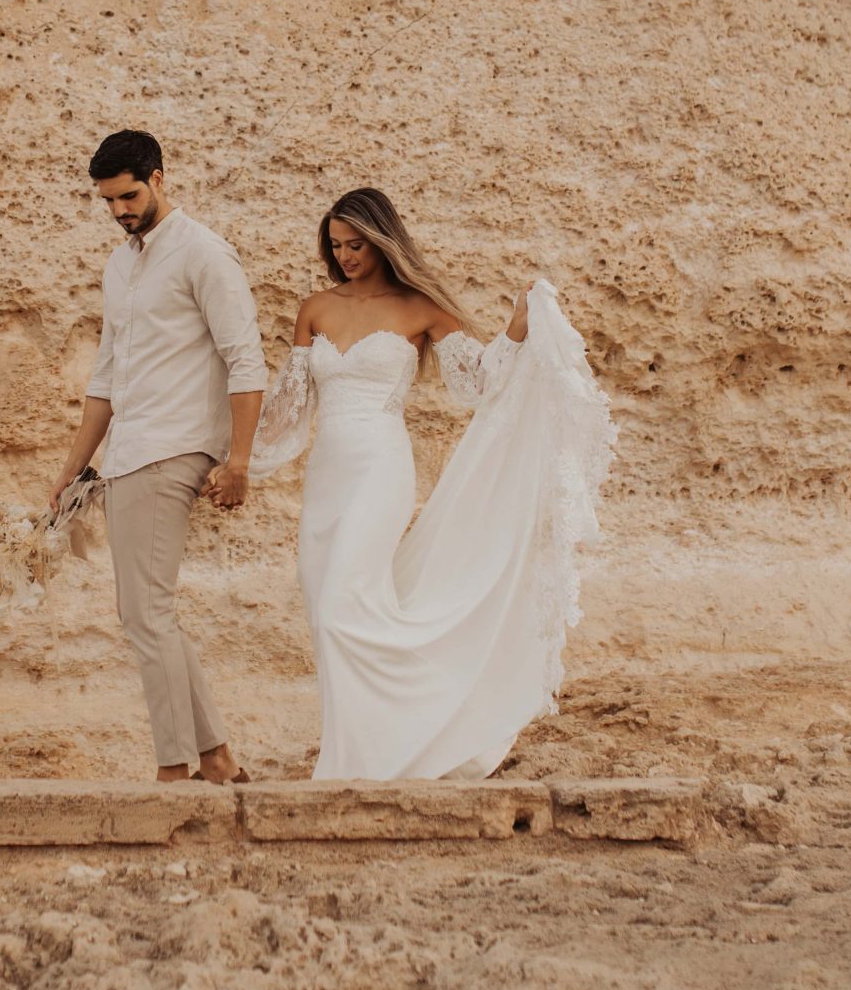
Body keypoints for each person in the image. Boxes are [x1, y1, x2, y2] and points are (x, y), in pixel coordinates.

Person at [248, 188, 616, 780]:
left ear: (383, 240)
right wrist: (233, 454)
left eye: (357, 245)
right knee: (325, 616)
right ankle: (363, 755)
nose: (345, 256)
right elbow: (289, 413)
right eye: (336, 245)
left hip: (380, 471)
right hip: (328, 476)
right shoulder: (314, 307)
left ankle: (404, 741)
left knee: (346, 609)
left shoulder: (421, 307)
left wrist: (516, 330)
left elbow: (476, 385)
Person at [50, 130, 263, 784]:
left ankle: (175, 769)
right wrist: (70, 471)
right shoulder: (121, 266)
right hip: (125, 454)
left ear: (160, 177)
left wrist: (239, 462)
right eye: (108, 200)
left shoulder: (204, 254)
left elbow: (245, 359)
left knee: (145, 613)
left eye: (129, 194)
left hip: (174, 448)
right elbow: (106, 379)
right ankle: (217, 757)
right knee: (151, 612)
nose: (119, 209)